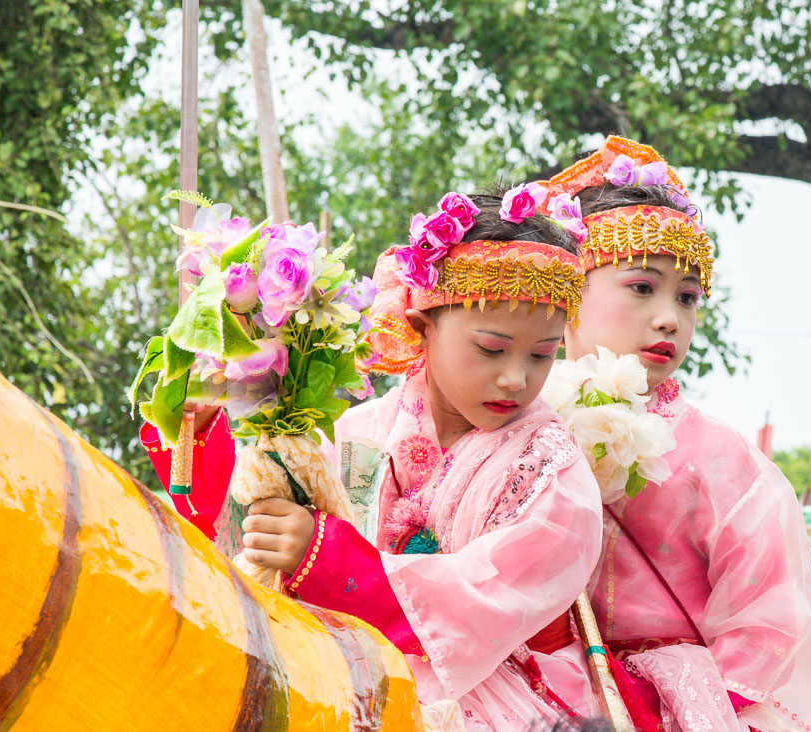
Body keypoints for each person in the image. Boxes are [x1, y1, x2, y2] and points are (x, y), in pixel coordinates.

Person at [141, 187, 605, 729]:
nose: (516, 378)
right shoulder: (357, 431)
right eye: (492, 348)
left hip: (492, 696)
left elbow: (478, 598)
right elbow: (245, 541)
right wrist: (202, 441)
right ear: (420, 323)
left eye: (542, 355)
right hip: (343, 667)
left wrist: (325, 554)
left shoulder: (555, 472)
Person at [541, 136, 811, 731]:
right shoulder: (511, 426)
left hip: (682, 711)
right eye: (642, 287)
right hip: (530, 694)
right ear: (570, 291)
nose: (671, 317)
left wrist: (679, 706)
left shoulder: (723, 460)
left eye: (688, 297)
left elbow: (770, 622)